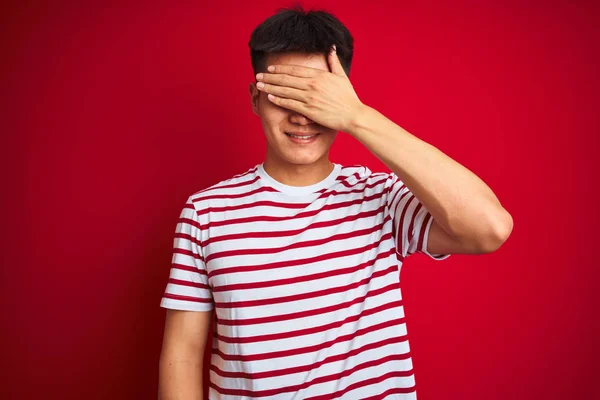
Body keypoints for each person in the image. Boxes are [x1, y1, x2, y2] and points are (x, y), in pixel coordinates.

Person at [158, 5, 513, 400]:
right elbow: (183, 354)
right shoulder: (207, 212)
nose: (301, 116)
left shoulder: (381, 198)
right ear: (256, 99)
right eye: (283, 95)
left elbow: (490, 228)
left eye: (317, 98)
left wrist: (357, 116)